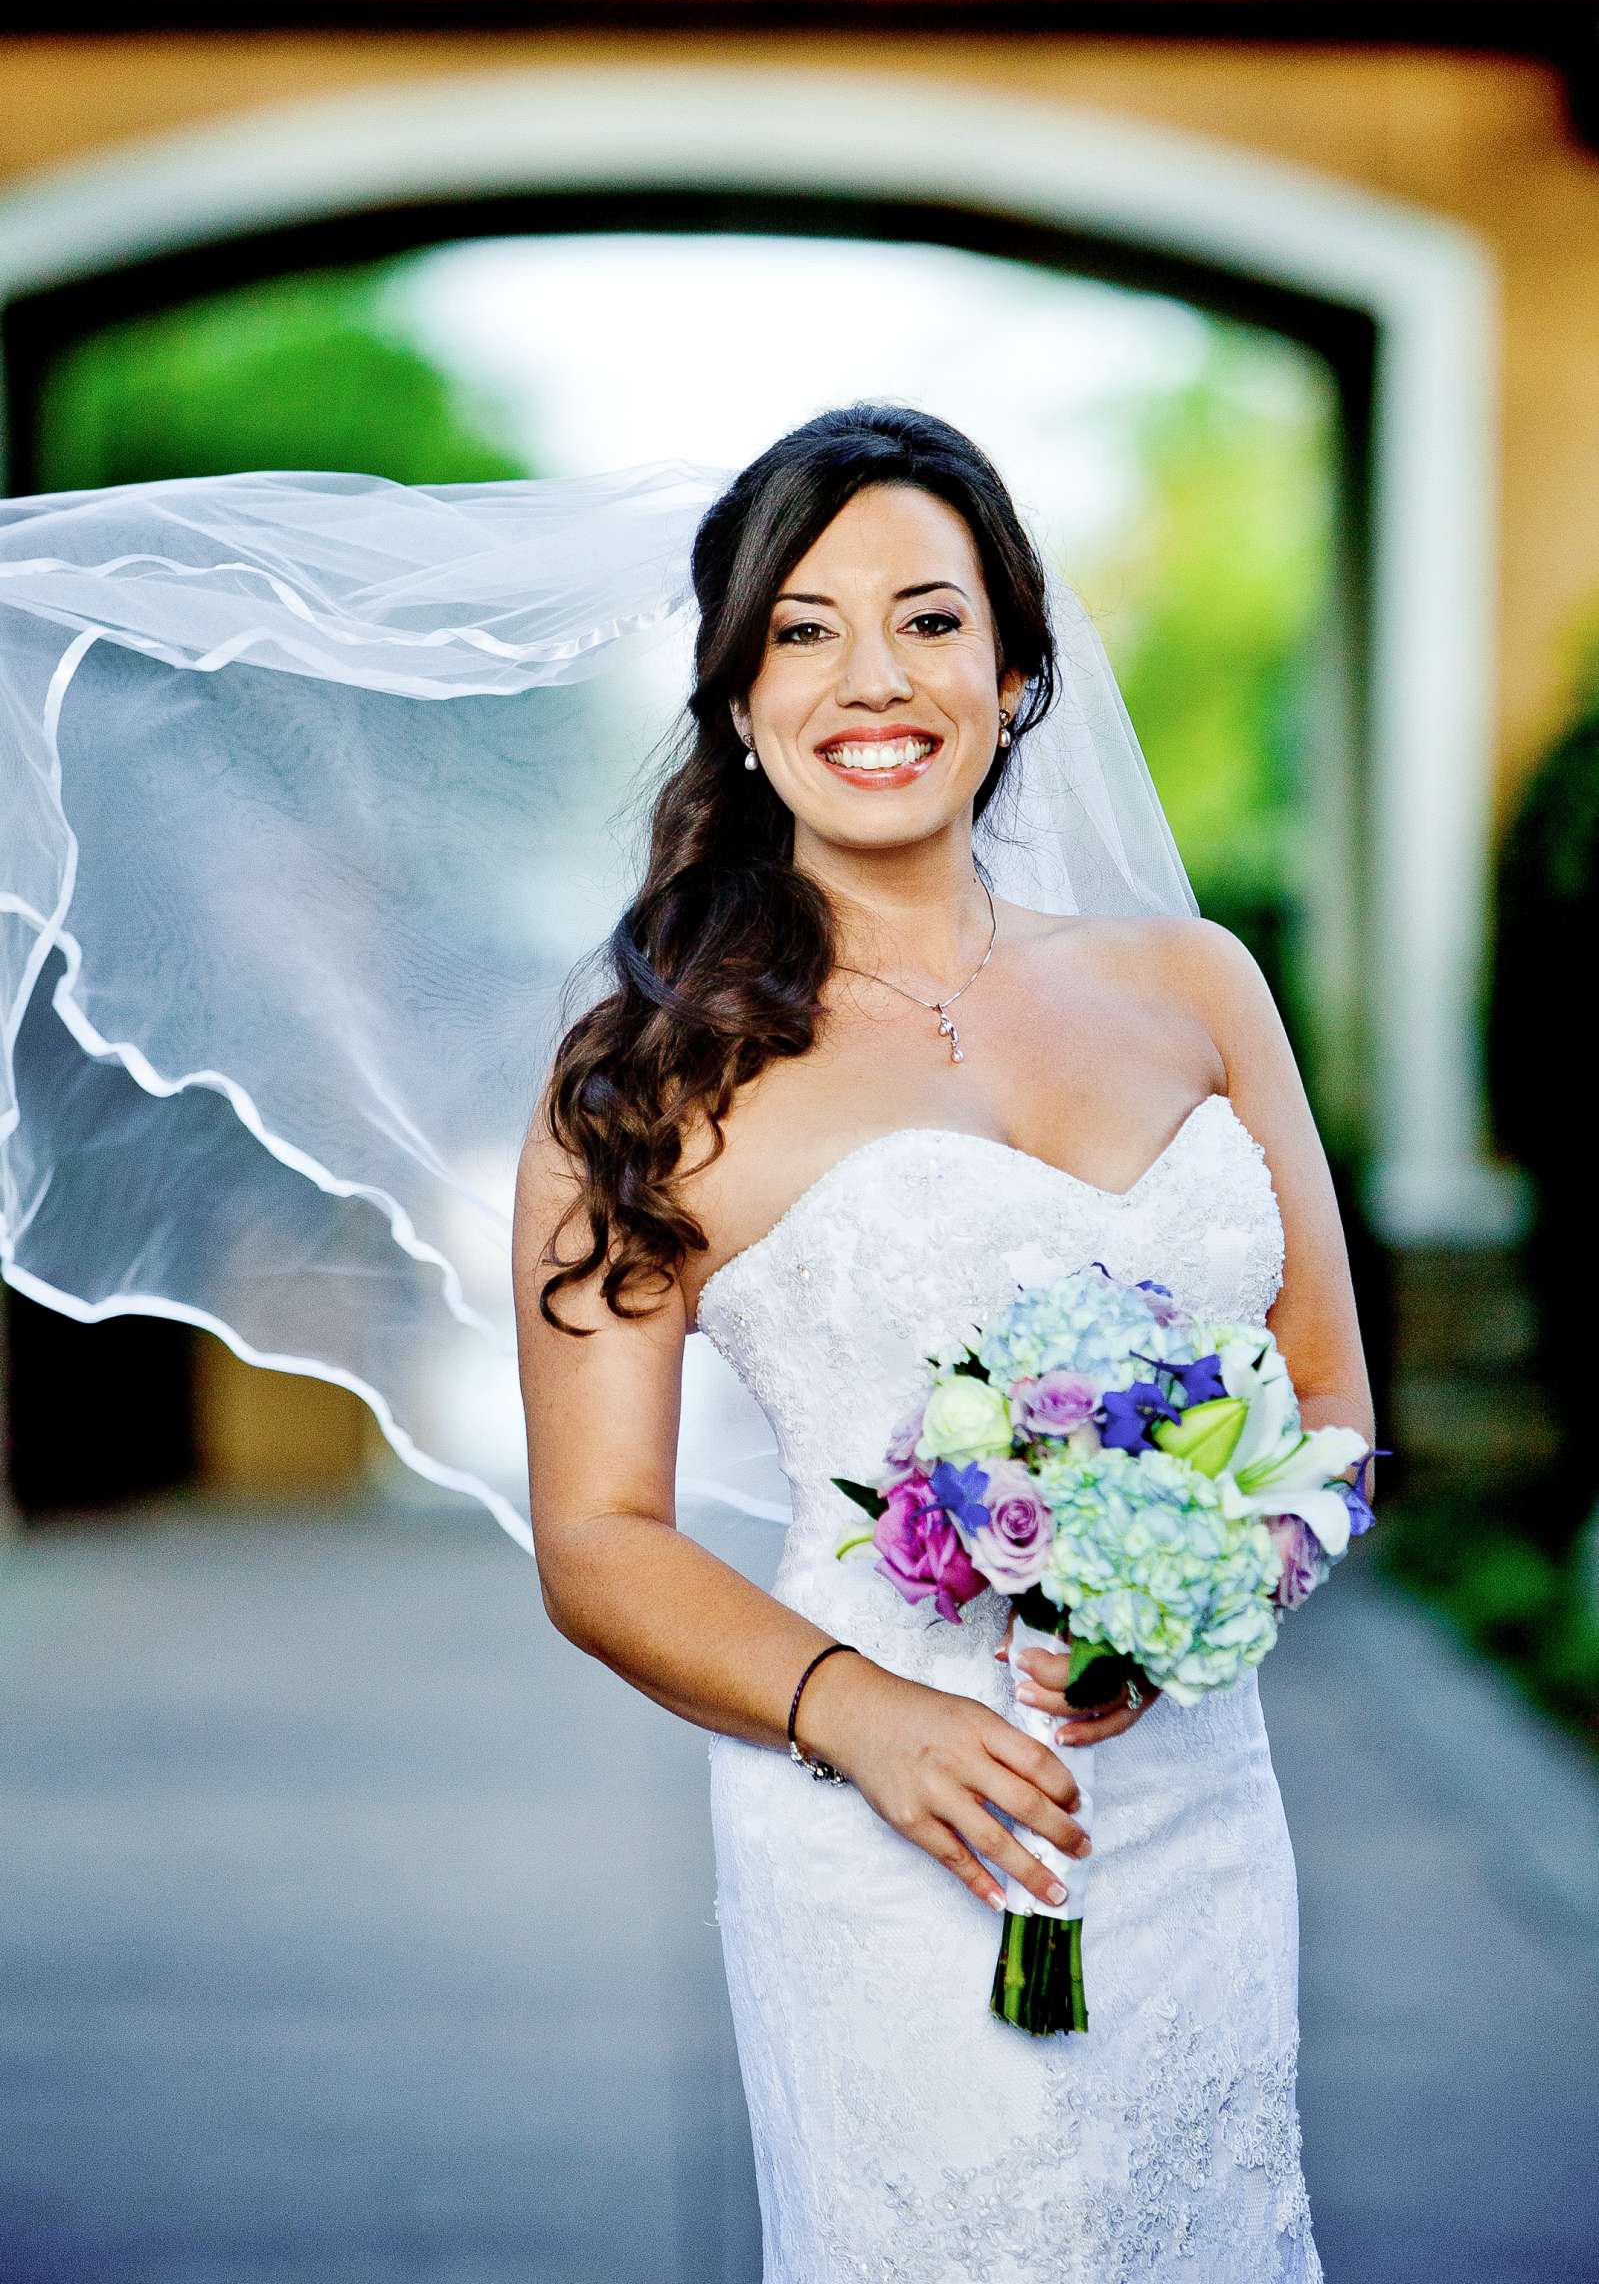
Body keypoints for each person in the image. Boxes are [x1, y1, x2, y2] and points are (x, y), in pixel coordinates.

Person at [514, 404, 1374, 2280]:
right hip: (885, 1831)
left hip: (1195, 1807)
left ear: (1017, 667)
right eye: (801, 631)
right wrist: (866, 1716)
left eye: (926, 617)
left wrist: (1190, 1600)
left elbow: (1326, 1408)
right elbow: (597, 1538)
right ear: (738, 698)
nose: (869, 678)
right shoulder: (650, 1081)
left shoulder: (1196, 985)